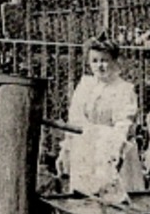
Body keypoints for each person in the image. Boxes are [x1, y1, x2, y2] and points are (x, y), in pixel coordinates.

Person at [57, 37, 145, 199]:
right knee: (84, 200)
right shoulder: (85, 85)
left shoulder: (124, 89)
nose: (100, 66)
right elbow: (75, 119)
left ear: (115, 61)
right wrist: (66, 149)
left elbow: (123, 123)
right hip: (85, 150)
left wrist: (113, 151)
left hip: (113, 150)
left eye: (104, 60)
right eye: (95, 61)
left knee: (113, 198)